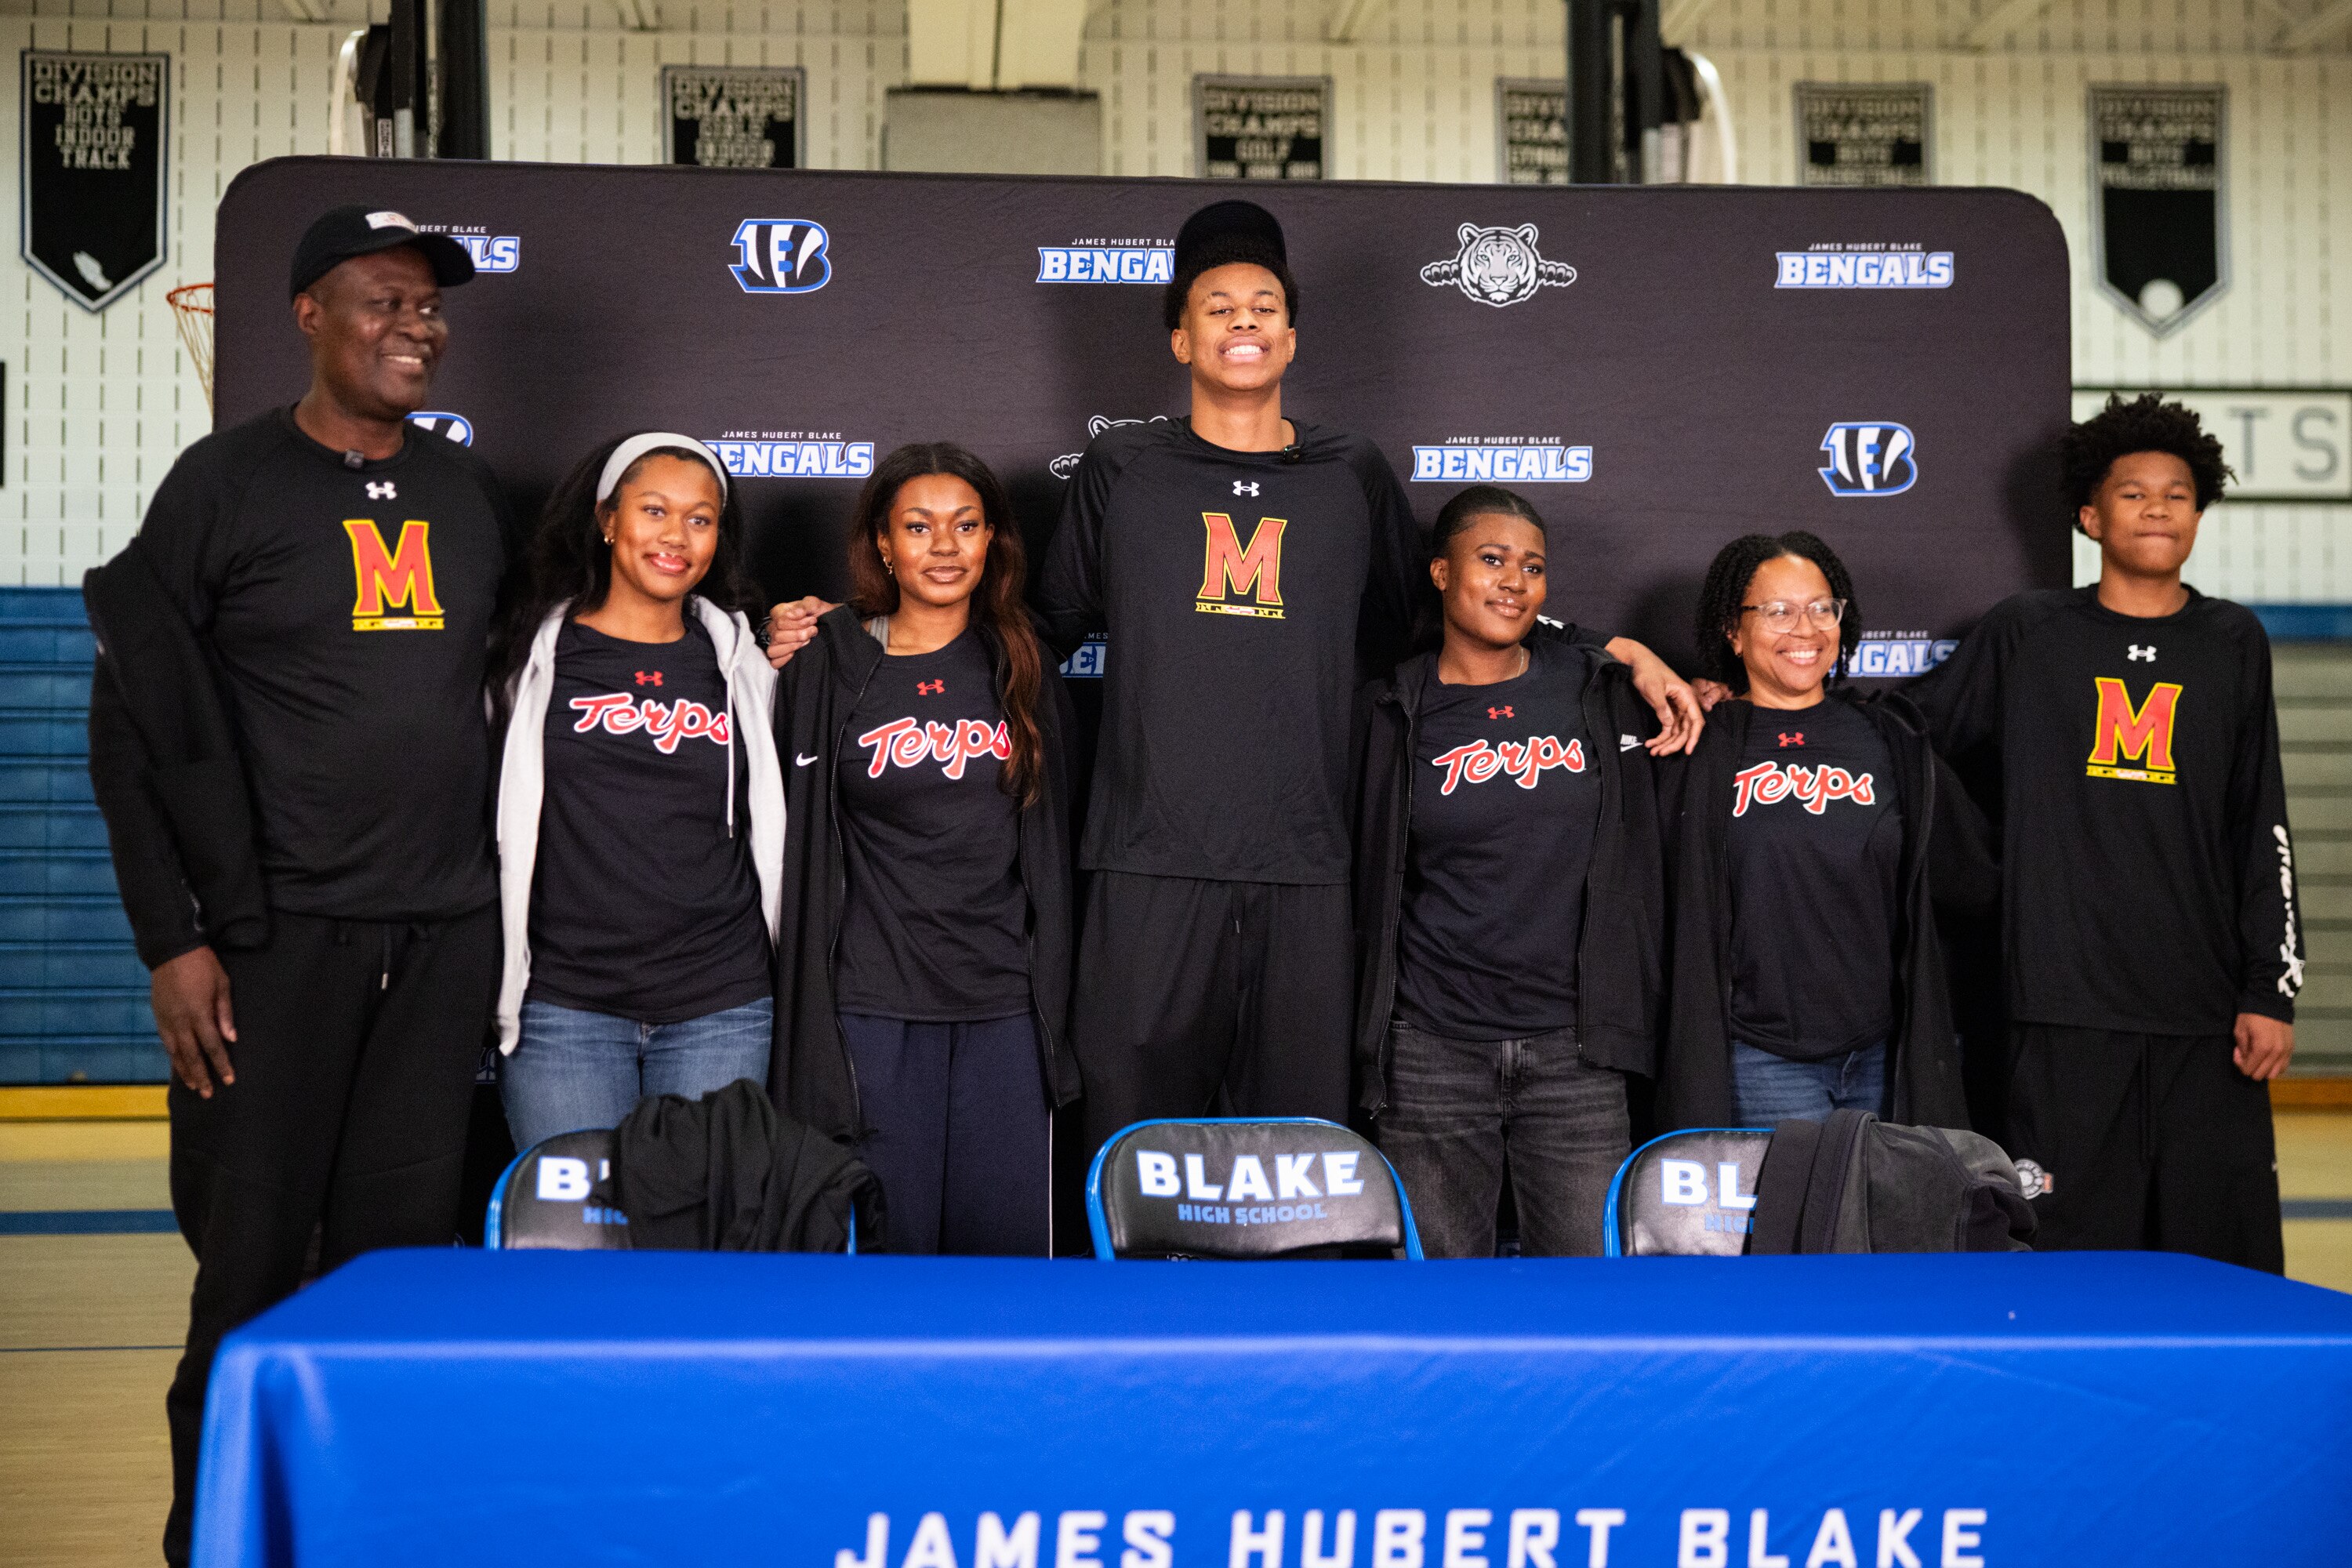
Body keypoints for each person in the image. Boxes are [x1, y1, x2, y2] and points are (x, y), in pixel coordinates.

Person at [755, 198, 1700, 1160]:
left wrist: (1596, 645)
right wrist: (859, 631)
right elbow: (1029, 629)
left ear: (1292, 335)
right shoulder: (1124, 466)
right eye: (1217, 306)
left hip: (1309, 864)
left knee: (1296, 1164)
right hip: (1145, 862)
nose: (1242, 320)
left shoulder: (1352, 472)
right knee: (1133, 1152)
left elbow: (1436, 617)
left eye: (1262, 304)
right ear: (1179, 336)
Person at [82, 207, 506, 1565]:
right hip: (274, 952)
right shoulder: (224, 486)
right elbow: (135, 725)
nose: (416, 327)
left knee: (396, 1275)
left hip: (437, 944)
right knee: (252, 1274)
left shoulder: (458, 494)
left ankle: (368, 1531)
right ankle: (212, 1539)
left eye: (430, 306)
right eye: (385, 302)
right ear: (309, 315)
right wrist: (176, 942)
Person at [1912, 393, 2301, 1270]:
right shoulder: (2029, 631)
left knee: (2221, 1260)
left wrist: (2269, 990)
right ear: (2089, 516)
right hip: (2061, 1006)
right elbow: (1908, 734)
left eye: (2177, 492)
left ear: (2200, 514)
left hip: (2204, 1014)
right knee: (2066, 1254)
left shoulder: (2233, 639)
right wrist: (1748, 704)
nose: (2158, 506)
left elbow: (2261, 822)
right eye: (2133, 492)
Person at [770, 443, 1080, 1255]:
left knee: (1003, 1268)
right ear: (882, 542)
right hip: (871, 1007)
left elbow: (1054, 845)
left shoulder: (1023, 662)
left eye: (965, 526)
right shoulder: (827, 660)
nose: (944, 547)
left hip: (1004, 1009)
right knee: (882, 1257)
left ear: (992, 541)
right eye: (918, 526)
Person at [1352, 486, 1664, 1257]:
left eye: (1533, 566)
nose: (1514, 581)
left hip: (1575, 1053)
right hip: (1431, 1049)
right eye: (1491, 559)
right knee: (1435, 1304)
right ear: (1439, 572)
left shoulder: (1593, 687)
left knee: (1590, 1301)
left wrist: (1640, 654)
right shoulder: (1393, 707)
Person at [489, 433, 783, 1151]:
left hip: (722, 1006)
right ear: (607, 519)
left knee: (696, 1244)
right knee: (579, 1251)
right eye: (653, 510)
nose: (675, 537)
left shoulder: (747, 665)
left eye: (700, 518)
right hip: (565, 1008)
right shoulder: (528, 659)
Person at [1655, 531, 1991, 1133]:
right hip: (1760, 1058)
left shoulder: (1889, 739)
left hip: (1884, 1056)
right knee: (1792, 1227)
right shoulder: (1699, 743)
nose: (1805, 629)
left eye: (1821, 608)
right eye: (1778, 611)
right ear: (1734, 630)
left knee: (1886, 1227)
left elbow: (1969, 879)